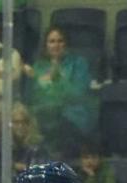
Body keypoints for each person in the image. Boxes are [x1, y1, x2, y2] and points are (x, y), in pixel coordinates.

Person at [23, 25, 97, 157]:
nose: (56, 45)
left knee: (55, 124)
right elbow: (31, 96)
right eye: (51, 41)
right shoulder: (39, 66)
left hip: (72, 117)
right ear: (46, 45)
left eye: (60, 41)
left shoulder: (79, 63)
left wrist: (58, 80)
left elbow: (79, 94)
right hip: (43, 115)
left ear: (66, 43)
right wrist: (32, 79)